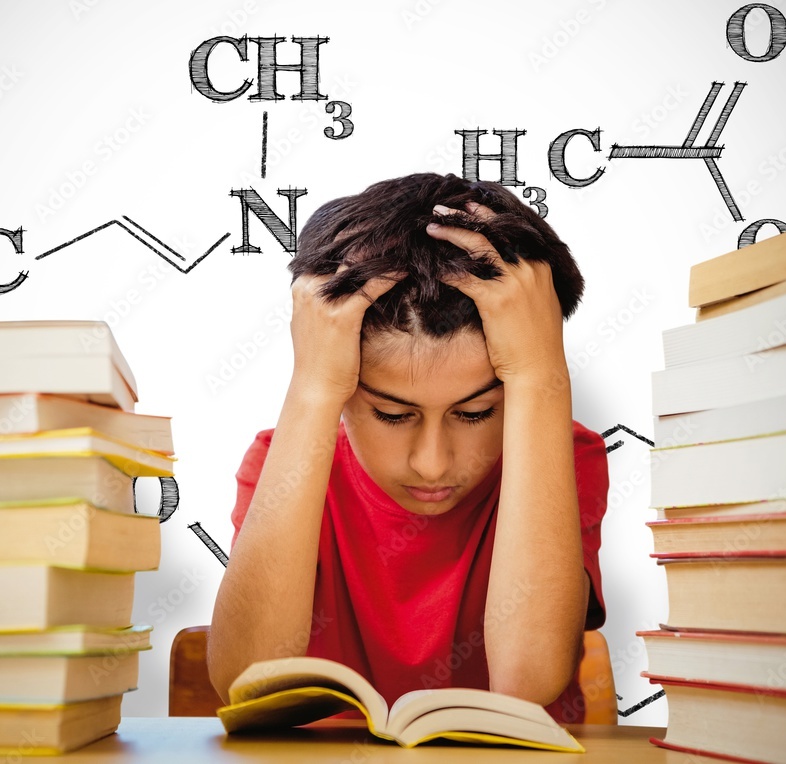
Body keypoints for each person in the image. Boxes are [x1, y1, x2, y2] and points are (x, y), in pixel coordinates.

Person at [207, 172, 608, 723]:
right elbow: (242, 678)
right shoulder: (283, 457)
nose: (432, 463)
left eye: (476, 412)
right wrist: (311, 389)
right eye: (392, 415)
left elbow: (527, 682)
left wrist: (541, 375)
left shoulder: (566, 454)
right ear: (345, 389)